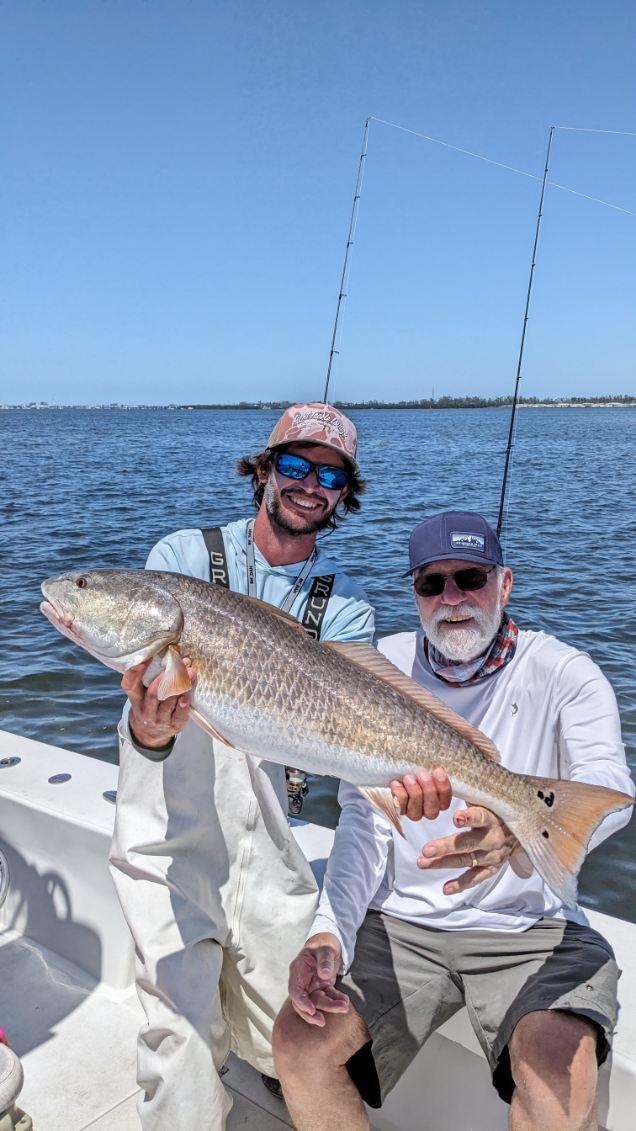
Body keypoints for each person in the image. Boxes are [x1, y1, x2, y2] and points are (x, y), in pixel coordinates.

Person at [274, 510, 635, 1131]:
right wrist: (329, 933)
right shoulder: (374, 666)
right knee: (299, 1045)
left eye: (471, 577)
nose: (453, 598)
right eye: (430, 584)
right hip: (403, 923)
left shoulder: (567, 673)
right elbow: (363, 826)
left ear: (506, 584)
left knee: (558, 1084)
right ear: (413, 594)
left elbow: (608, 787)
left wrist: (517, 835)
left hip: (533, 924)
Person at [109, 403, 375, 1131]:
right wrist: (148, 727)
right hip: (171, 835)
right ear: (263, 470)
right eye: (294, 464)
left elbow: (343, 741)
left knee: (302, 1034)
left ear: (344, 494)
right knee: (182, 1043)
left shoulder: (346, 608)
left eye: (330, 474)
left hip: (273, 843)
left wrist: (407, 783)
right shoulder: (181, 561)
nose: (309, 484)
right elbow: (147, 706)